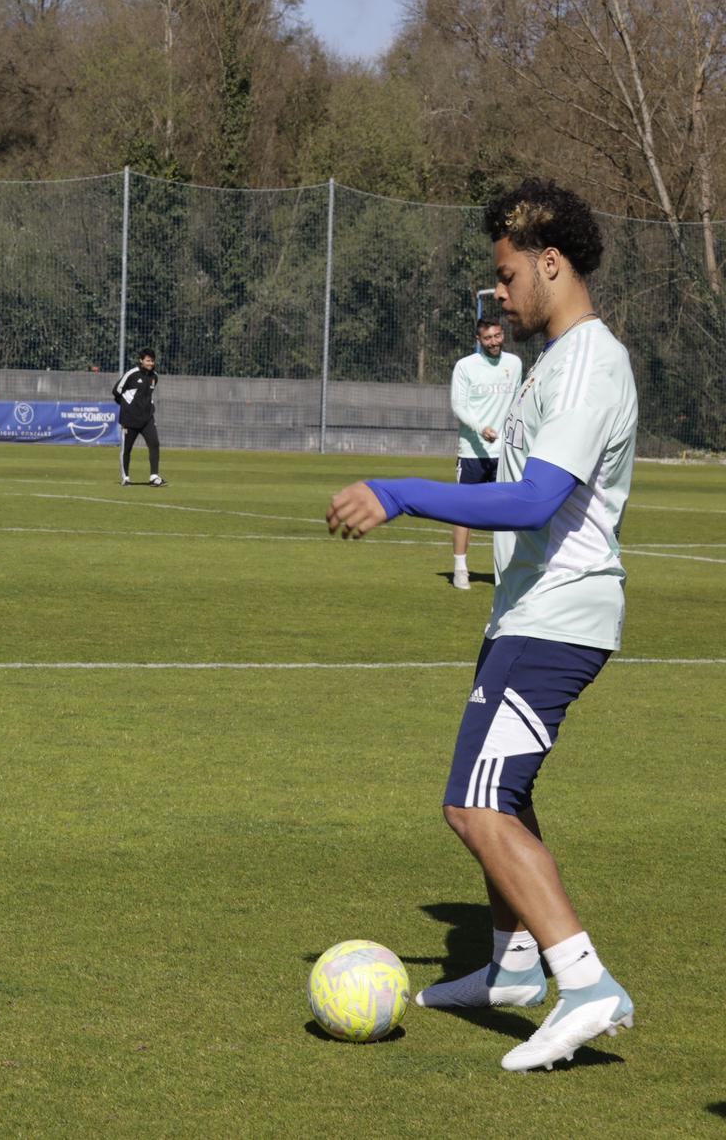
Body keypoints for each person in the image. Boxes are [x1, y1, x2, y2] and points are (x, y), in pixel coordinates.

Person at [326, 178, 637, 1073]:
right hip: (525, 613)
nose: (498, 295)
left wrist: (397, 492)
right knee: (508, 790)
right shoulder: (553, 361)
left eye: (506, 276)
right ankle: (509, 965)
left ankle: (585, 982)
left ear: (550, 263)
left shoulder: (589, 362)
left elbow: (539, 498)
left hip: (560, 615)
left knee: (474, 801)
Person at [447, 318, 522, 589]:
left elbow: (518, 404)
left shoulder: (514, 364)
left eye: (498, 336)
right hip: (472, 452)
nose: (494, 342)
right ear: (479, 340)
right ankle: (460, 570)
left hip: (504, 453)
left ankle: (507, 571)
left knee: (508, 513)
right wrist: (481, 428)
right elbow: (458, 406)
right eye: (488, 338)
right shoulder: (466, 366)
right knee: (462, 512)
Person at [113, 350, 163, 486]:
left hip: (147, 419)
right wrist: (126, 406)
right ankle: (126, 478)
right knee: (127, 449)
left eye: (152, 361)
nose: (150, 363)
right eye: (148, 360)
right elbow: (116, 391)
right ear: (141, 360)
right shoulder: (131, 374)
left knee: (154, 443)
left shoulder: (155, 376)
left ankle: (154, 477)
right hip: (130, 419)